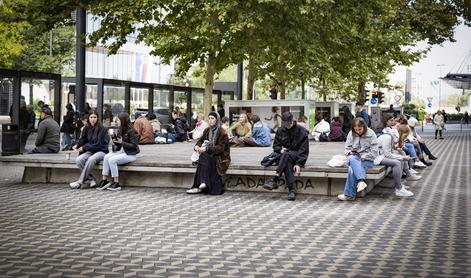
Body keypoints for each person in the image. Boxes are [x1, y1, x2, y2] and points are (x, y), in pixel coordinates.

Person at [263, 112, 309, 201]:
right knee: (287, 159)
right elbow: (275, 146)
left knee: (286, 155)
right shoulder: (280, 130)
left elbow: (304, 150)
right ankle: (291, 190)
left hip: (296, 155)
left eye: (289, 124)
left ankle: (275, 178)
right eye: (286, 124)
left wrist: (299, 164)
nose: (287, 126)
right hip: (284, 157)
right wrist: (280, 150)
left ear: (292, 121)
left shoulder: (301, 131)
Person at [186, 111, 231, 195]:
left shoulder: (222, 132)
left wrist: (206, 149)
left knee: (203, 156)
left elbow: (220, 148)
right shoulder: (207, 130)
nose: (210, 120)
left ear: (217, 120)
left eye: (212, 118)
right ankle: (202, 183)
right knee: (203, 156)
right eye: (209, 118)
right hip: (209, 154)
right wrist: (197, 146)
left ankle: (198, 185)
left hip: (220, 156)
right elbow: (200, 140)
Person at [337, 118, 378, 201]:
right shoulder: (351, 133)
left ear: (364, 127)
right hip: (354, 157)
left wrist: (366, 156)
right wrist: (350, 152)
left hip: (367, 160)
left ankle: (349, 195)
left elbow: (375, 153)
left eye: (360, 129)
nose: (358, 131)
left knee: (352, 169)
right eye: (356, 130)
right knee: (352, 159)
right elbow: (346, 149)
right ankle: (361, 181)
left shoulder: (371, 134)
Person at [97, 113, 139, 191]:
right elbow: (119, 145)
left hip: (130, 154)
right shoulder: (121, 130)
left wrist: (122, 142)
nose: (117, 122)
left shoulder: (132, 131)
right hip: (122, 152)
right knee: (106, 157)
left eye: (118, 120)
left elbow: (134, 146)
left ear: (123, 120)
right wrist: (115, 140)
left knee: (112, 160)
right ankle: (104, 180)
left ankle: (116, 183)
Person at [70, 111, 109, 189]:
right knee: (79, 160)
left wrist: (84, 148)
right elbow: (82, 139)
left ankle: (80, 182)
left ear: (97, 118)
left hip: (101, 151)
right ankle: (91, 180)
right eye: (91, 117)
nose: (93, 119)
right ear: (88, 118)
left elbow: (98, 144)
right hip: (91, 151)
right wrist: (77, 145)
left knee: (91, 159)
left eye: (95, 117)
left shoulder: (102, 129)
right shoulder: (87, 127)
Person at [375, 124, 414, 197]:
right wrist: (402, 157)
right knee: (397, 162)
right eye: (405, 136)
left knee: (400, 158)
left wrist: (400, 154)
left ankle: (399, 185)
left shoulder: (391, 136)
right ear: (400, 132)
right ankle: (398, 189)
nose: (405, 138)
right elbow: (388, 155)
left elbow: (390, 151)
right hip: (377, 158)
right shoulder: (387, 137)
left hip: (381, 156)